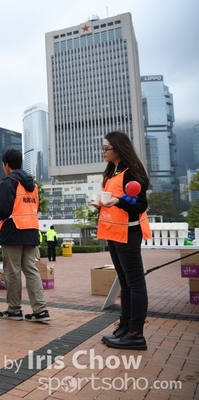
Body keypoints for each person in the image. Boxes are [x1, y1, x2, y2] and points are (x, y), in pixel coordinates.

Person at [91, 130, 151, 350]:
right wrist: (101, 205)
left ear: (118, 148)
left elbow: (140, 205)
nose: (103, 151)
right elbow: (115, 202)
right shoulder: (111, 171)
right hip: (113, 232)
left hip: (128, 232)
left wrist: (118, 201)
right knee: (125, 283)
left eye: (106, 148)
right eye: (102, 147)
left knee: (135, 283)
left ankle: (136, 333)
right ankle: (125, 327)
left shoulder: (131, 171)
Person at [0, 148, 50, 323]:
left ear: (6, 165)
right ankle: (40, 310)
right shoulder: (32, 185)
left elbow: (3, 210)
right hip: (30, 231)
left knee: (12, 272)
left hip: (13, 231)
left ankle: (14, 310)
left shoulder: (8, 182)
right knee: (31, 270)